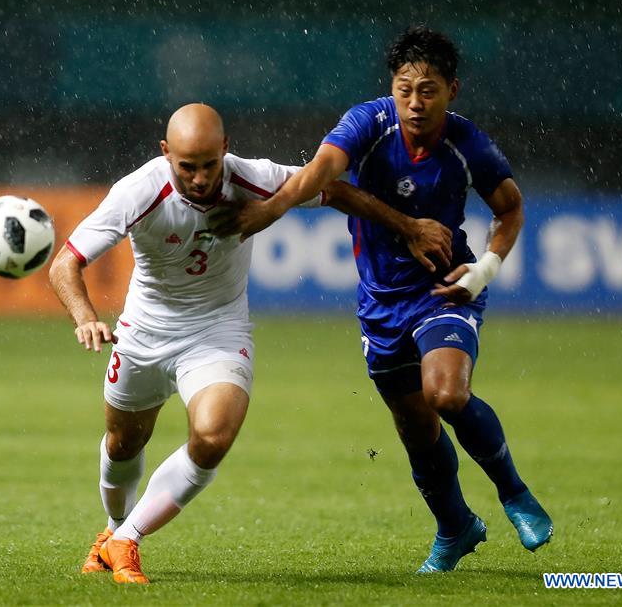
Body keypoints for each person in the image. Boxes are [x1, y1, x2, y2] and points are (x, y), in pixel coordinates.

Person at [49, 103, 452, 584]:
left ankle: (127, 539)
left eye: (208, 164)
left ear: (224, 148)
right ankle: (113, 532)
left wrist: (408, 227)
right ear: (165, 153)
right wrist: (86, 317)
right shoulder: (137, 191)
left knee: (214, 436)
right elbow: (64, 264)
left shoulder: (256, 177)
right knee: (122, 443)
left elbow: (335, 190)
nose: (199, 178)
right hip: (143, 332)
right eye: (186, 166)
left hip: (217, 331)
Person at [214, 26, 552, 573]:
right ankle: (455, 528)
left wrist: (484, 270)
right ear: (391, 88)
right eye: (405, 89)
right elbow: (323, 173)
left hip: (444, 289)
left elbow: (510, 209)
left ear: (453, 90)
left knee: (445, 395)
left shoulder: (468, 145)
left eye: (429, 90)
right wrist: (271, 210)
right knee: (416, 429)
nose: (415, 103)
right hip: (380, 303)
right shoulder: (369, 122)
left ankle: (514, 493)